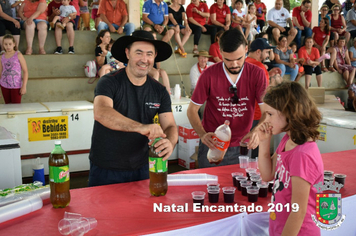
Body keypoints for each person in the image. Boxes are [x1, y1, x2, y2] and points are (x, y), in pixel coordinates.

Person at [88, 30, 178, 186]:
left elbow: (170, 125)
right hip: (107, 168)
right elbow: (101, 112)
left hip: (143, 167)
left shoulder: (159, 90)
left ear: (155, 56)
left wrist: (170, 142)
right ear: (127, 53)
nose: (144, 59)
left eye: (149, 54)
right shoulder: (109, 82)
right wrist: (140, 127)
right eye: (139, 53)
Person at [187, 28, 267, 168]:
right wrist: (202, 134)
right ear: (220, 52)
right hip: (213, 143)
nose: (234, 64)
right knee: (209, 185)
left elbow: (267, 111)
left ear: (246, 50)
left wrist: (256, 131)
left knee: (239, 185)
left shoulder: (257, 74)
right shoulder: (209, 74)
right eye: (228, 60)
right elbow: (192, 110)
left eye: (239, 59)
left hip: (242, 143)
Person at [257, 81, 324, 236]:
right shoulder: (288, 140)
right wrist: (263, 141)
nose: (266, 120)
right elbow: (268, 175)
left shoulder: (302, 154)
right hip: (281, 227)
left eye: (270, 114)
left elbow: (298, 211)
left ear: (290, 113)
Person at [245, 38, 281, 159]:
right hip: (257, 115)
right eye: (266, 52)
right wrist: (276, 84)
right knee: (254, 155)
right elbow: (264, 94)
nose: (267, 55)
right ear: (258, 52)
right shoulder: (260, 67)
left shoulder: (242, 63)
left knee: (243, 153)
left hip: (242, 113)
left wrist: (268, 74)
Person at [0, 34, 28, 104]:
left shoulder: (18, 55)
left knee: (16, 107)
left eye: (10, 44)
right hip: (4, 85)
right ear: (3, 45)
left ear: (14, 44)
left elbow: (25, 71)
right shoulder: (1, 57)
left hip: (16, 86)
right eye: (6, 44)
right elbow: (0, 72)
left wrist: (24, 86)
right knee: (7, 105)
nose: (8, 46)